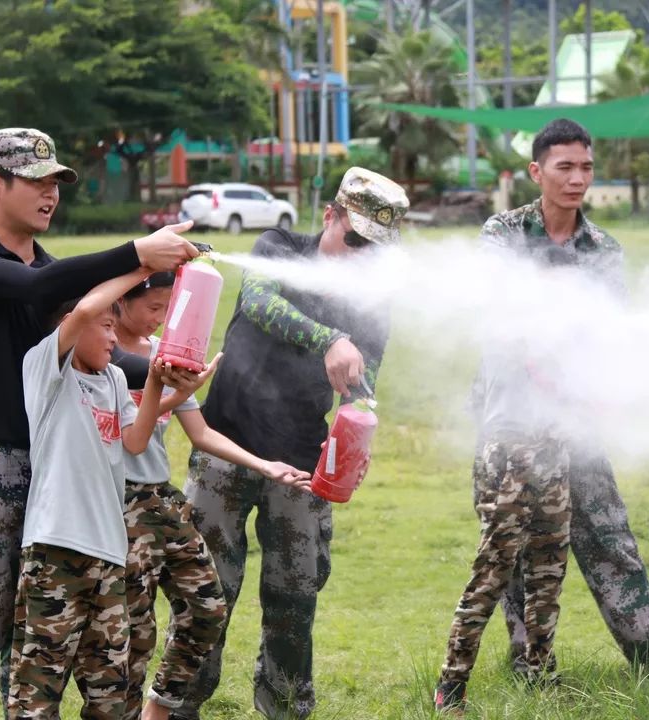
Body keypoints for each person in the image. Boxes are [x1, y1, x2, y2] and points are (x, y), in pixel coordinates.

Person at [0, 127, 199, 720]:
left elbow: (99, 348)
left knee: (32, 643)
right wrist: (136, 255)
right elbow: (39, 288)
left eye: (56, 183)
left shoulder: (49, 270)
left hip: (59, 478)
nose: (51, 194)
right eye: (37, 182)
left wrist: (164, 371)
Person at [466, 120, 649, 710]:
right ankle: (530, 666)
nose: (578, 178)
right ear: (537, 172)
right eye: (564, 167)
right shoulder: (504, 232)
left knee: (609, 534)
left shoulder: (604, 250)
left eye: (586, 167)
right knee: (513, 546)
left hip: (576, 422)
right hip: (509, 422)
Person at [178, 167, 408, 720]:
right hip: (223, 445)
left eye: (372, 249)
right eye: (352, 238)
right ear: (329, 216)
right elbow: (257, 301)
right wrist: (330, 338)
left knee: (294, 599)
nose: (358, 256)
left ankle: (285, 707)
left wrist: (358, 428)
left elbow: (364, 386)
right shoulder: (276, 246)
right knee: (206, 593)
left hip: (302, 462)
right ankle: (178, 704)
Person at [110, 272, 310, 720]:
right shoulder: (97, 355)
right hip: (113, 503)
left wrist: (264, 464)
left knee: (207, 607)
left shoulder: (164, 354)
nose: (159, 319)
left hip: (159, 499)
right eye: (153, 308)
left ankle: (158, 709)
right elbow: (127, 438)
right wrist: (168, 389)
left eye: (169, 309)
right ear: (121, 300)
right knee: (134, 628)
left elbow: (200, 432)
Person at [8, 268, 166, 717]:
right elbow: (85, 309)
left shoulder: (114, 380)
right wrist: (143, 266)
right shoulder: (45, 368)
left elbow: (134, 441)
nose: (115, 338)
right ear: (70, 327)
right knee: (36, 693)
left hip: (109, 556)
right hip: (55, 552)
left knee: (112, 694)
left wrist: (155, 379)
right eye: (108, 326)